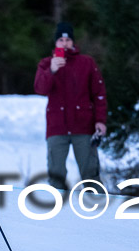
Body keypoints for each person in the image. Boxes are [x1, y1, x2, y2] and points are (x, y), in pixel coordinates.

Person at [34, 21, 107, 190]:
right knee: (56, 174)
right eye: (61, 40)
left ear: (73, 42)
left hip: (83, 126)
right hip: (57, 127)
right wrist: (51, 70)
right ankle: (59, 211)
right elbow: (40, 89)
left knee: (90, 175)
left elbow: (99, 94)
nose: (64, 44)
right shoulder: (46, 63)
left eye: (68, 40)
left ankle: (98, 210)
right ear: (55, 43)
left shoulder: (86, 63)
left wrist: (100, 121)